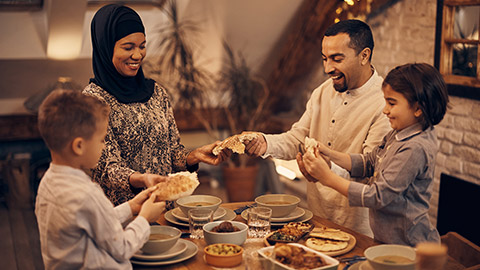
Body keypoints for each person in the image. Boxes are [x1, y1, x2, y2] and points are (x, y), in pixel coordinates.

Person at [244, 19, 391, 236]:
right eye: (324, 58)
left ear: (364, 55)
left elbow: (371, 173)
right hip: (316, 219)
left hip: (359, 229)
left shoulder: (385, 103)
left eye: (336, 59)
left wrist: (326, 169)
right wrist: (265, 143)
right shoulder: (321, 92)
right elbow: (297, 140)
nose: (327, 68)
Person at [83, 4, 229, 206]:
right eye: (128, 47)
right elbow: (107, 169)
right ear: (105, 47)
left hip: (163, 209)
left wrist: (193, 156)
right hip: (121, 217)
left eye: (142, 46)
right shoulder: (93, 101)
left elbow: (171, 153)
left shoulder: (156, 93)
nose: (137, 55)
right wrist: (143, 179)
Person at [301, 63, 449, 246]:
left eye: (392, 103)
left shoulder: (415, 148)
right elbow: (370, 162)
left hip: (408, 246)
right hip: (386, 242)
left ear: (418, 109)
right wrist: (329, 154)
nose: (385, 110)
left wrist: (327, 178)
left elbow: (377, 196)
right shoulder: (399, 133)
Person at [35, 89, 166, 269]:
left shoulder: (48, 183)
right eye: (102, 140)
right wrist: (144, 218)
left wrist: (131, 207)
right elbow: (122, 248)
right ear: (79, 146)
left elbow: (93, 221)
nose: (103, 146)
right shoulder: (86, 193)